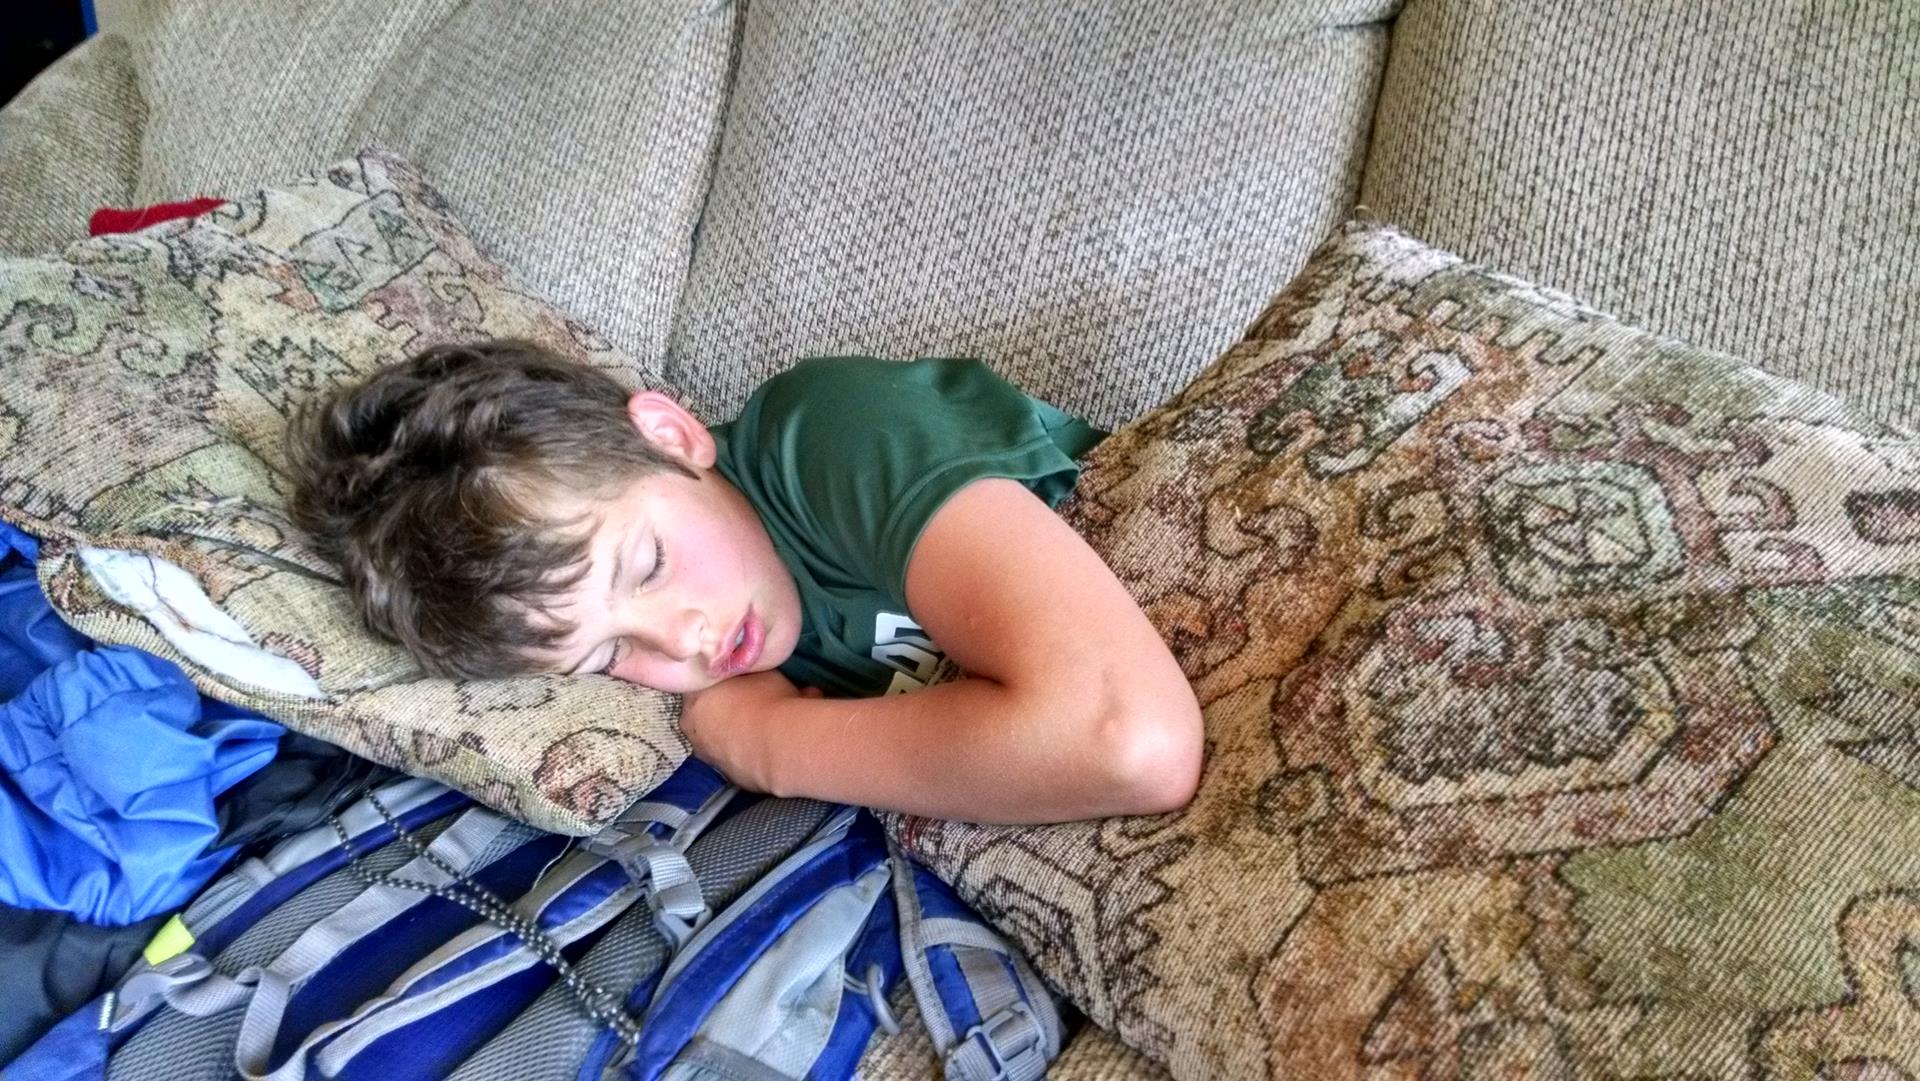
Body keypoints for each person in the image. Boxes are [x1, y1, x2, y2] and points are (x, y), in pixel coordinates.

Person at [287, 340, 1202, 824]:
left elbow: (1132, 743)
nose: (681, 640)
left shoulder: (830, 434)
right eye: (608, 651)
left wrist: (774, 743)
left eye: (647, 564)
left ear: (672, 436)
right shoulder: (728, 650)